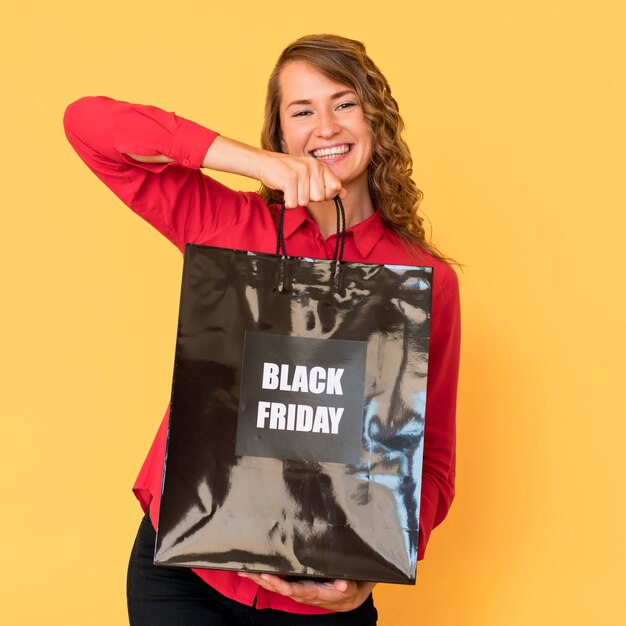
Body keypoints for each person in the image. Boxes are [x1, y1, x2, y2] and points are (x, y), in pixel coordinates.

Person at [63, 33, 461, 626]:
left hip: (322, 597)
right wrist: (255, 164)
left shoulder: (423, 280)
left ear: (375, 118)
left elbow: (434, 464)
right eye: (301, 111)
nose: (325, 126)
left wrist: (377, 568)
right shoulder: (227, 225)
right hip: (183, 578)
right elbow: (87, 124)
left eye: (343, 102)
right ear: (280, 135)